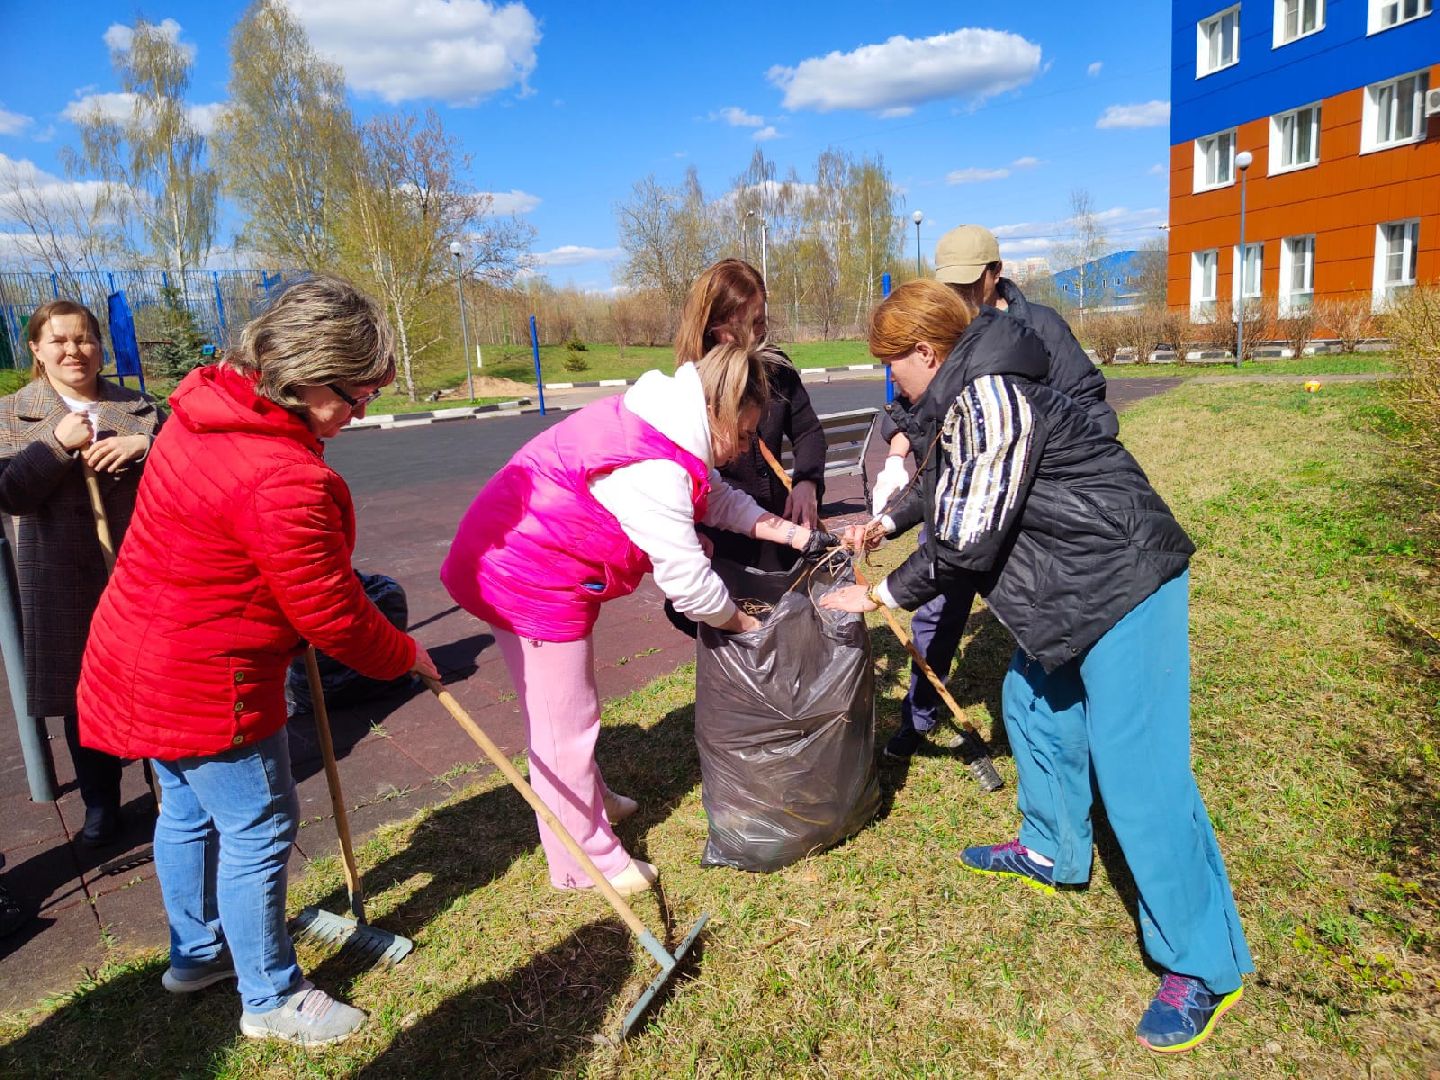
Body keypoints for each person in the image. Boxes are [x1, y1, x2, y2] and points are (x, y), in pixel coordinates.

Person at [822, 280, 1252, 1053]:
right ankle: (1052, 846)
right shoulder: (970, 394)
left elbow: (965, 543)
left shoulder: (990, 397)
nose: (895, 381)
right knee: (1029, 702)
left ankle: (1203, 965)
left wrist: (881, 590)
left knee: (1139, 774)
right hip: (1069, 588)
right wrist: (887, 519)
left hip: (1122, 578)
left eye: (895, 364)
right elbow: (947, 483)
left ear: (927, 351)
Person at [77, 276, 439, 1046]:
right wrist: (406, 655)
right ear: (304, 373)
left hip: (138, 654)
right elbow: (334, 612)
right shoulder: (281, 476)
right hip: (205, 679)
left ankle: (198, 954)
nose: (363, 410)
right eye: (356, 392)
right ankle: (270, 996)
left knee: (184, 809)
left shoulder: (204, 406)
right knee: (261, 825)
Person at [442, 340, 835, 897]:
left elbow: (717, 500)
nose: (747, 447)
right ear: (717, 411)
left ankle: (591, 803)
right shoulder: (656, 466)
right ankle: (583, 861)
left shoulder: (669, 424)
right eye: (745, 434)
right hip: (522, 571)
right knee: (564, 723)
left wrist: (789, 532)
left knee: (570, 708)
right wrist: (746, 625)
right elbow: (690, 585)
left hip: (529, 552)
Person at [871, 224, 1117, 761]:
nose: (958, 295)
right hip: (963, 500)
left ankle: (1071, 719)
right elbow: (915, 414)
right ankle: (917, 717)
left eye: (967, 283)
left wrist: (1056, 472)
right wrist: (894, 465)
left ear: (995, 273)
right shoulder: (941, 334)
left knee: (1042, 622)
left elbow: (1090, 407)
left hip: (1028, 510)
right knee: (934, 608)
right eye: (947, 284)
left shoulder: (1040, 328)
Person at [0, 300, 163, 845]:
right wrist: (55, 445)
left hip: (142, 569)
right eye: (59, 340)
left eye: (85, 339)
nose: (74, 350)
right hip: (62, 571)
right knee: (82, 693)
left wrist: (146, 445)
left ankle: (169, 787)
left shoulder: (139, 406)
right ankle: (101, 802)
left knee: (155, 678)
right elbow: (11, 494)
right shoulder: (12, 414)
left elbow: (187, 462)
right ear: (37, 350)